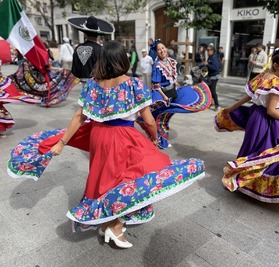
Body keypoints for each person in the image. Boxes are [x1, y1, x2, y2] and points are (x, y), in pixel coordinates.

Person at [7, 40, 206, 248]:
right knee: (138, 175)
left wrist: (62, 142)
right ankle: (115, 226)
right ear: (122, 60)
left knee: (106, 179)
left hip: (99, 136)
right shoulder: (133, 84)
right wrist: (154, 137)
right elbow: (148, 120)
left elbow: (79, 116)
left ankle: (107, 224)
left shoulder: (93, 84)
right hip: (124, 137)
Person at [214, 46, 279, 203]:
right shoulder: (277, 82)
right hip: (265, 120)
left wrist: (230, 109)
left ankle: (244, 179)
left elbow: (248, 97)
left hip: (255, 116)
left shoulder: (264, 75)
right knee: (273, 152)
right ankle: (250, 182)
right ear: (276, 65)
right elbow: (271, 111)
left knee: (257, 149)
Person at [140, 40, 212, 149]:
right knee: (160, 118)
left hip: (171, 92)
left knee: (169, 114)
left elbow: (172, 78)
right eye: (159, 49)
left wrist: (176, 84)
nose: (162, 51)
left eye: (163, 48)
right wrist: (164, 97)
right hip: (160, 94)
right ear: (157, 52)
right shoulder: (157, 65)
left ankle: (160, 139)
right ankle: (160, 141)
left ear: (166, 49)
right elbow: (156, 84)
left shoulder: (171, 61)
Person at [68, 16, 114, 80]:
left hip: (83, 84)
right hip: (97, 83)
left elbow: (74, 71)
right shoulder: (101, 49)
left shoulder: (77, 48)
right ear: (97, 34)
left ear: (85, 34)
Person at [203, 45, 221, 111]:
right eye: (207, 50)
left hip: (215, 76)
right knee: (210, 90)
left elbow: (215, 68)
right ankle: (210, 103)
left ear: (212, 50)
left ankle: (217, 105)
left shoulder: (214, 58)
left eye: (209, 50)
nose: (207, 51)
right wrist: (199, 67)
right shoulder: (210, 57)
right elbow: (206, 64)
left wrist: (207, 65)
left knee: (212, 90)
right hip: (211, 75)